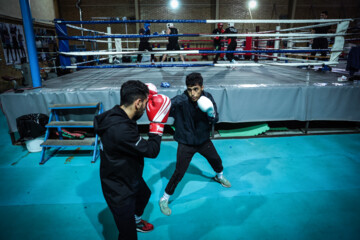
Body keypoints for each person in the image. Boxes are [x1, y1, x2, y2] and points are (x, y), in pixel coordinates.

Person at [94, 80, 171, 240]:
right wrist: (157, 124)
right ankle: (131, 225)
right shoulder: (121, 130)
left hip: (126, 173)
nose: (147, 107)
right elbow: (151, 151)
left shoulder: (114, 114)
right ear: (137, 103)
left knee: (144, 194)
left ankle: (135, 221)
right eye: (145, 103)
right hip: (119, 189)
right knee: (128, 236)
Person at [159, 72, 231, 216]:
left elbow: (215, 119)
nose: (192, 93)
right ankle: (164, 198)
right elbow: (165, 108)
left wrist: (211, 114)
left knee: (216, 160)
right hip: (186, 143)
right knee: (179, 172)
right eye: (190, 89)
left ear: (202, 87)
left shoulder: (208, 97)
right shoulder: (180, 101)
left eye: (196, 89)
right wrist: (157, 102)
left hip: (203, 140)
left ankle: (219, 176)